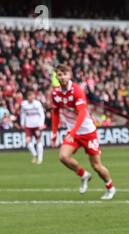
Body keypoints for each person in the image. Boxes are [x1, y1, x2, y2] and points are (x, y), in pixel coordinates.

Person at [51, 64, 116, 200]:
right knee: (63, 157)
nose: (62, 77)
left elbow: (81, 114)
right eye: (59, 74)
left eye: (64, 74)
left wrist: (73, 131)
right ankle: (83, 175)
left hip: (87, 132)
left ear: (69, 75)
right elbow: (55, 112)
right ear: (56, 76)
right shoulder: (55, 93)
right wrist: (54, 132)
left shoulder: (77, 91)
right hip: (73, 132)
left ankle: (110, 187)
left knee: (96, 166)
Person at [20, 90, 45, 164]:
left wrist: (41, 124)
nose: (33, 97)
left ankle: (40, 159)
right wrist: (22, 122)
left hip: (37, 125)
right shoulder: (24, 104)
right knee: (27, 141)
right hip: (28, 125)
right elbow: (23, 114)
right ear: (28, 97)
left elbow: (42, 114)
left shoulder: (37, 104)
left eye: (33, 96)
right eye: (31, 96)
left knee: (38, 141)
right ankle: (35, 154)